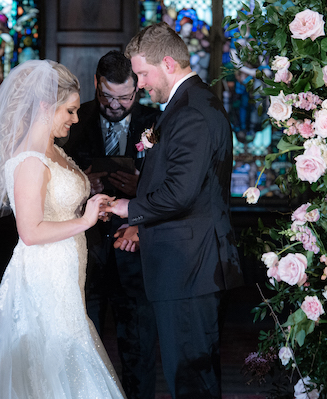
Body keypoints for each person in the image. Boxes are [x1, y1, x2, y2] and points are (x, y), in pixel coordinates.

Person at [0, 60, 125, 399]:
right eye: (70, 110)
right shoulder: (30, 160)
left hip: (66, 267)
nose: (75, 118)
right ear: (44, 106)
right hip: (43, 273)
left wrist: (94, 208)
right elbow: (30, 232)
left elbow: (58, 207)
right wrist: (84, 221)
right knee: (52, 361)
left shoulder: (55, 152)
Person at [106, 23, 244, 399]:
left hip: (190, 268)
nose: (139, 84)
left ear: (167, 63)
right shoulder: (188, 105)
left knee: (191, 381)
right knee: (190, 376)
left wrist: (127, 207)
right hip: (189, 266)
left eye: (142, 74)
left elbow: (180, 193)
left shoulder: (191, 112)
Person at [59, 50, 159, 399]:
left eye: (125, 97)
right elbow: (53, 180)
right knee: (85, 351)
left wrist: (140, 190)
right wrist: (82, 183)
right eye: (107, 96)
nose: (116, 105)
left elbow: (174, 188)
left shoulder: (157, 122)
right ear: (96, 85)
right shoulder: (73, 119)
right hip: (87, 253)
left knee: (141, 354)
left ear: (137, 89)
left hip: (138, 253)